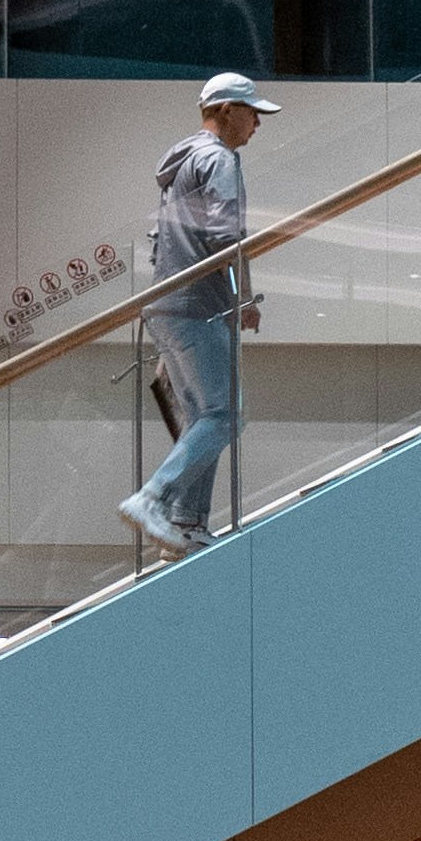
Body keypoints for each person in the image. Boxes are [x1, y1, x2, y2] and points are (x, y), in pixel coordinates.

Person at [120, 70, 270, 553]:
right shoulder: (219, 160)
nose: (257, 125)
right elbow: (228, 238)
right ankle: (155, 500)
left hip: (166, 303)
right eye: (251, 113)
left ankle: (185, 522)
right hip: (197, 304)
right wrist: (243, 298)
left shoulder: (183, 163)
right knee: (226, 415)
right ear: (226, 110)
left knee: (205, 416)